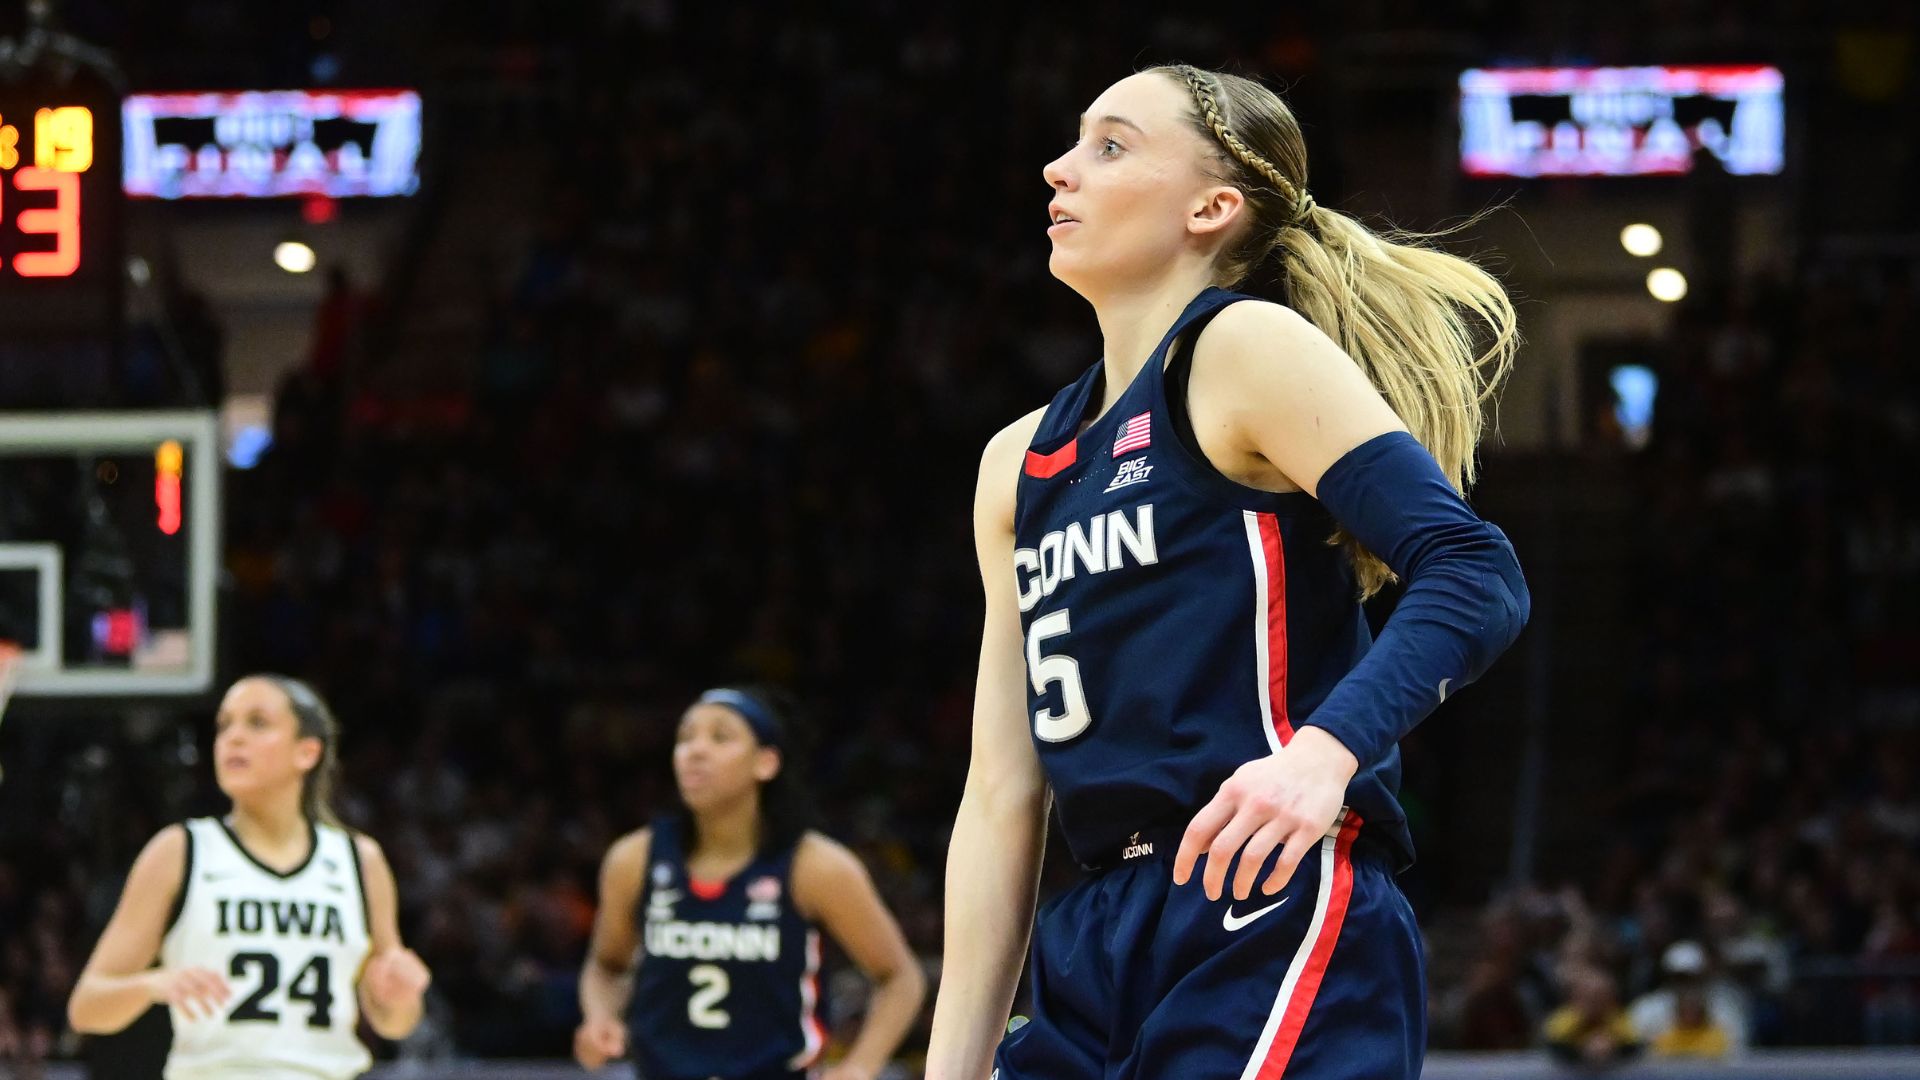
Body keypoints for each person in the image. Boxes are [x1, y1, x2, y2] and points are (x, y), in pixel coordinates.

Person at [925, 63, 1529, 1080]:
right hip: (1092, 935)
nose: (1058, 169)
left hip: (1264, 895)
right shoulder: (1014, 463)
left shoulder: (1239, 351)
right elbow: (1001, 792)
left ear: (1212, 207)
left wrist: (1323, 752)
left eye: (1110, 146)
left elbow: (1475, 570)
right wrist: (951, 1066)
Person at [68, 675, 430, 1079]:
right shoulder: (180, 852)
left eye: (257, 723)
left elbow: (395, 1021)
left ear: (307, 752)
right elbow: (87, 1008)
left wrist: (398, 996)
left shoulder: (358, 861)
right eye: (225, 725)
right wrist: (155, 985)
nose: (233, 738)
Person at [575, 688, 926, 1080]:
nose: (695, 750)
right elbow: (607, 966)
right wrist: (600, 1015)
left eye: (720, 737)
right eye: (685, 738)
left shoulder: (815, 867)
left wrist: (860, 1067)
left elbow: (900, 977)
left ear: (766, 762)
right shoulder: (634, 859)